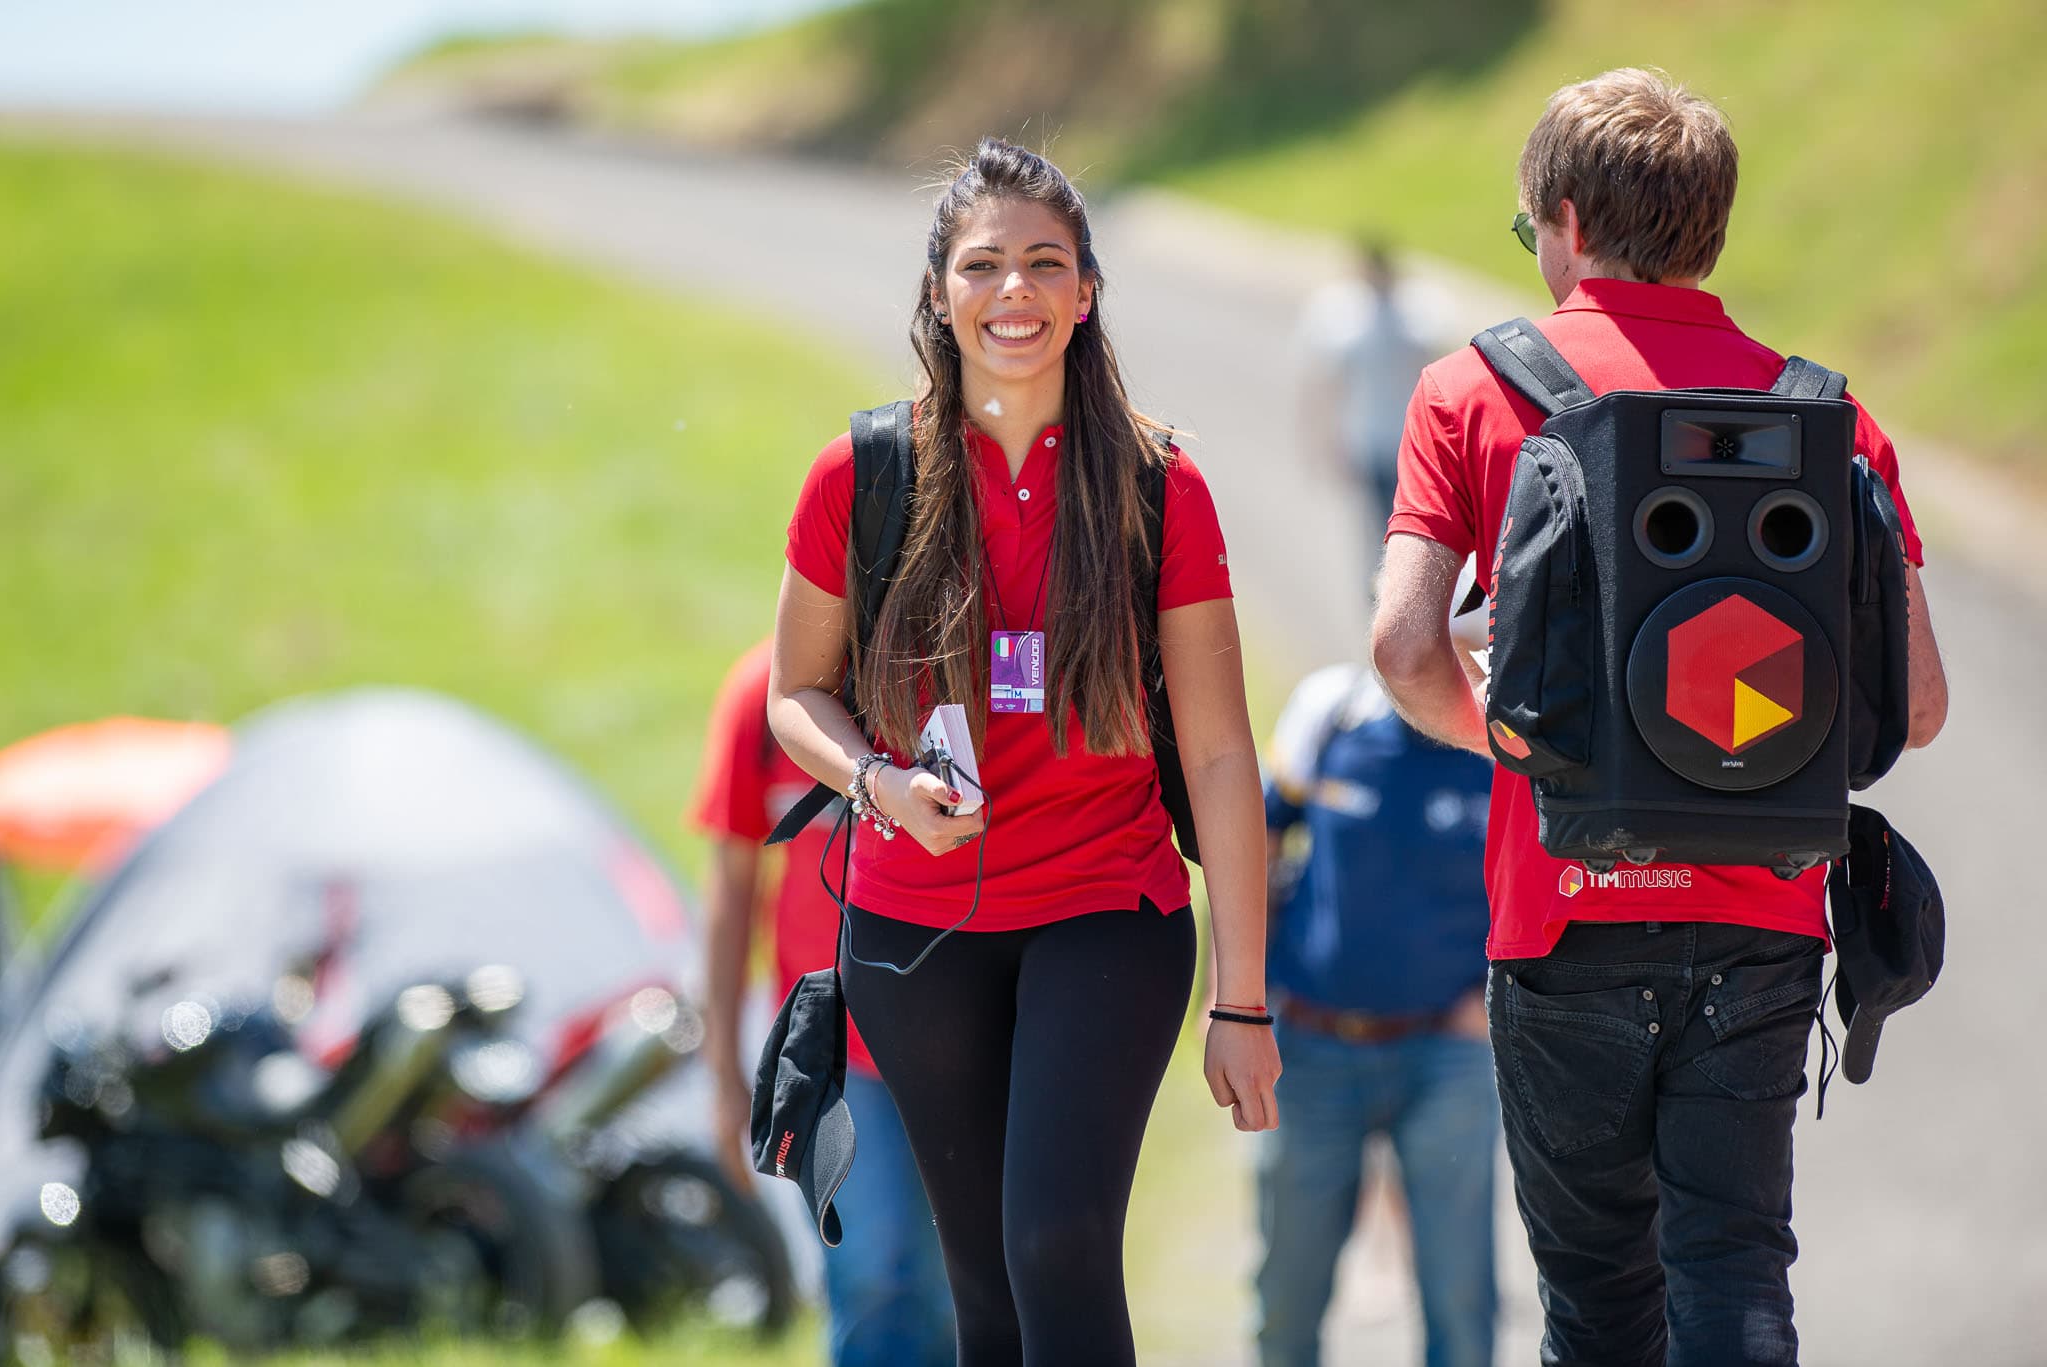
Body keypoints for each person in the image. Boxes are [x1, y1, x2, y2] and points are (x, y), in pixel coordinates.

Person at [1371, 68, 1949, 1365]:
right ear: (1714, 228)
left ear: (1566, 220)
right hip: (1759, 916)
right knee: (1736, 1269)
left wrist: (1527, 750)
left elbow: (1405, 646)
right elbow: (1917, 700)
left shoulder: (1472, 391)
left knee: (1598, 1304)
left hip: (1563, 902)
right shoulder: (1827, 416)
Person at [768, 138, 1281, 1367]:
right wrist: (880, 784)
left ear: (1087, 290)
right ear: (939, 293)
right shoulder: (861, 474)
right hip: (911, 930)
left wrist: (1242, 996)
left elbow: (1217, 757)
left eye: (1044, 263)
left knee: (1055, 1241)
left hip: (1107, 908)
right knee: (983, 1288)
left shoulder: (1163, 489)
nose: (1014, 292)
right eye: (982, 264)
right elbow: (796, 694)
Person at [1255, 581, 1498, 1367]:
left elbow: (1553, 885)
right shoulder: (1331, 710)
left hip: (1447, 1055)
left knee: (1462, 1303)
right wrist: (1237, 994)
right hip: (1312, 1046)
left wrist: (1493, 1003)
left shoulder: (1510, 744)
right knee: (1286, 1300)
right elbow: (1254, 842)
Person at [690, 639, 953, 1367]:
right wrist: (722, 1074)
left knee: (951, 1290)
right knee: (868, 1273)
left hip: (961, 1038)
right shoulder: (762, 692)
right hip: (834, 1054)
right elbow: (730, 894)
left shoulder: (952, 672)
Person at [1297, 241, 1441, 553]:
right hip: (1371, 442)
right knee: (1385, 527)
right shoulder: (1353, 324)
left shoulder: (1412, 321)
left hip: (1405, 440)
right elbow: (1328, 386)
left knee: (1404, 526)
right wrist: (1323, 439)